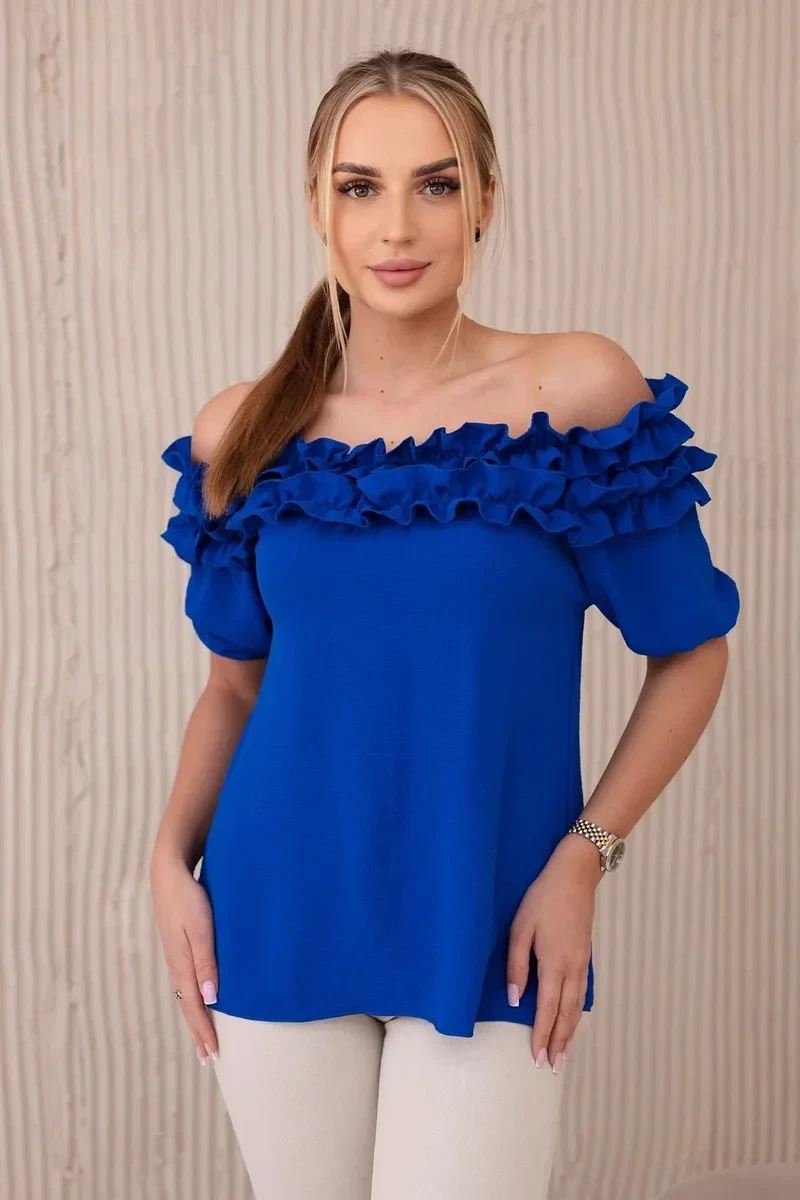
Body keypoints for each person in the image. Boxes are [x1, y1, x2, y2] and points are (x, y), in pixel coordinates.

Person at [149, 46, 740, 1200]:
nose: (396, 225)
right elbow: (233, 685)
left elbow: (689, 651)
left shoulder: (574, 395)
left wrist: (583, 859)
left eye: (435, 182)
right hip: (272, 904)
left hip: (490, 915)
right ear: (316, 205)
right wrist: (168, 863)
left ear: (485, 200)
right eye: (359, 186)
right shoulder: (244, 432)